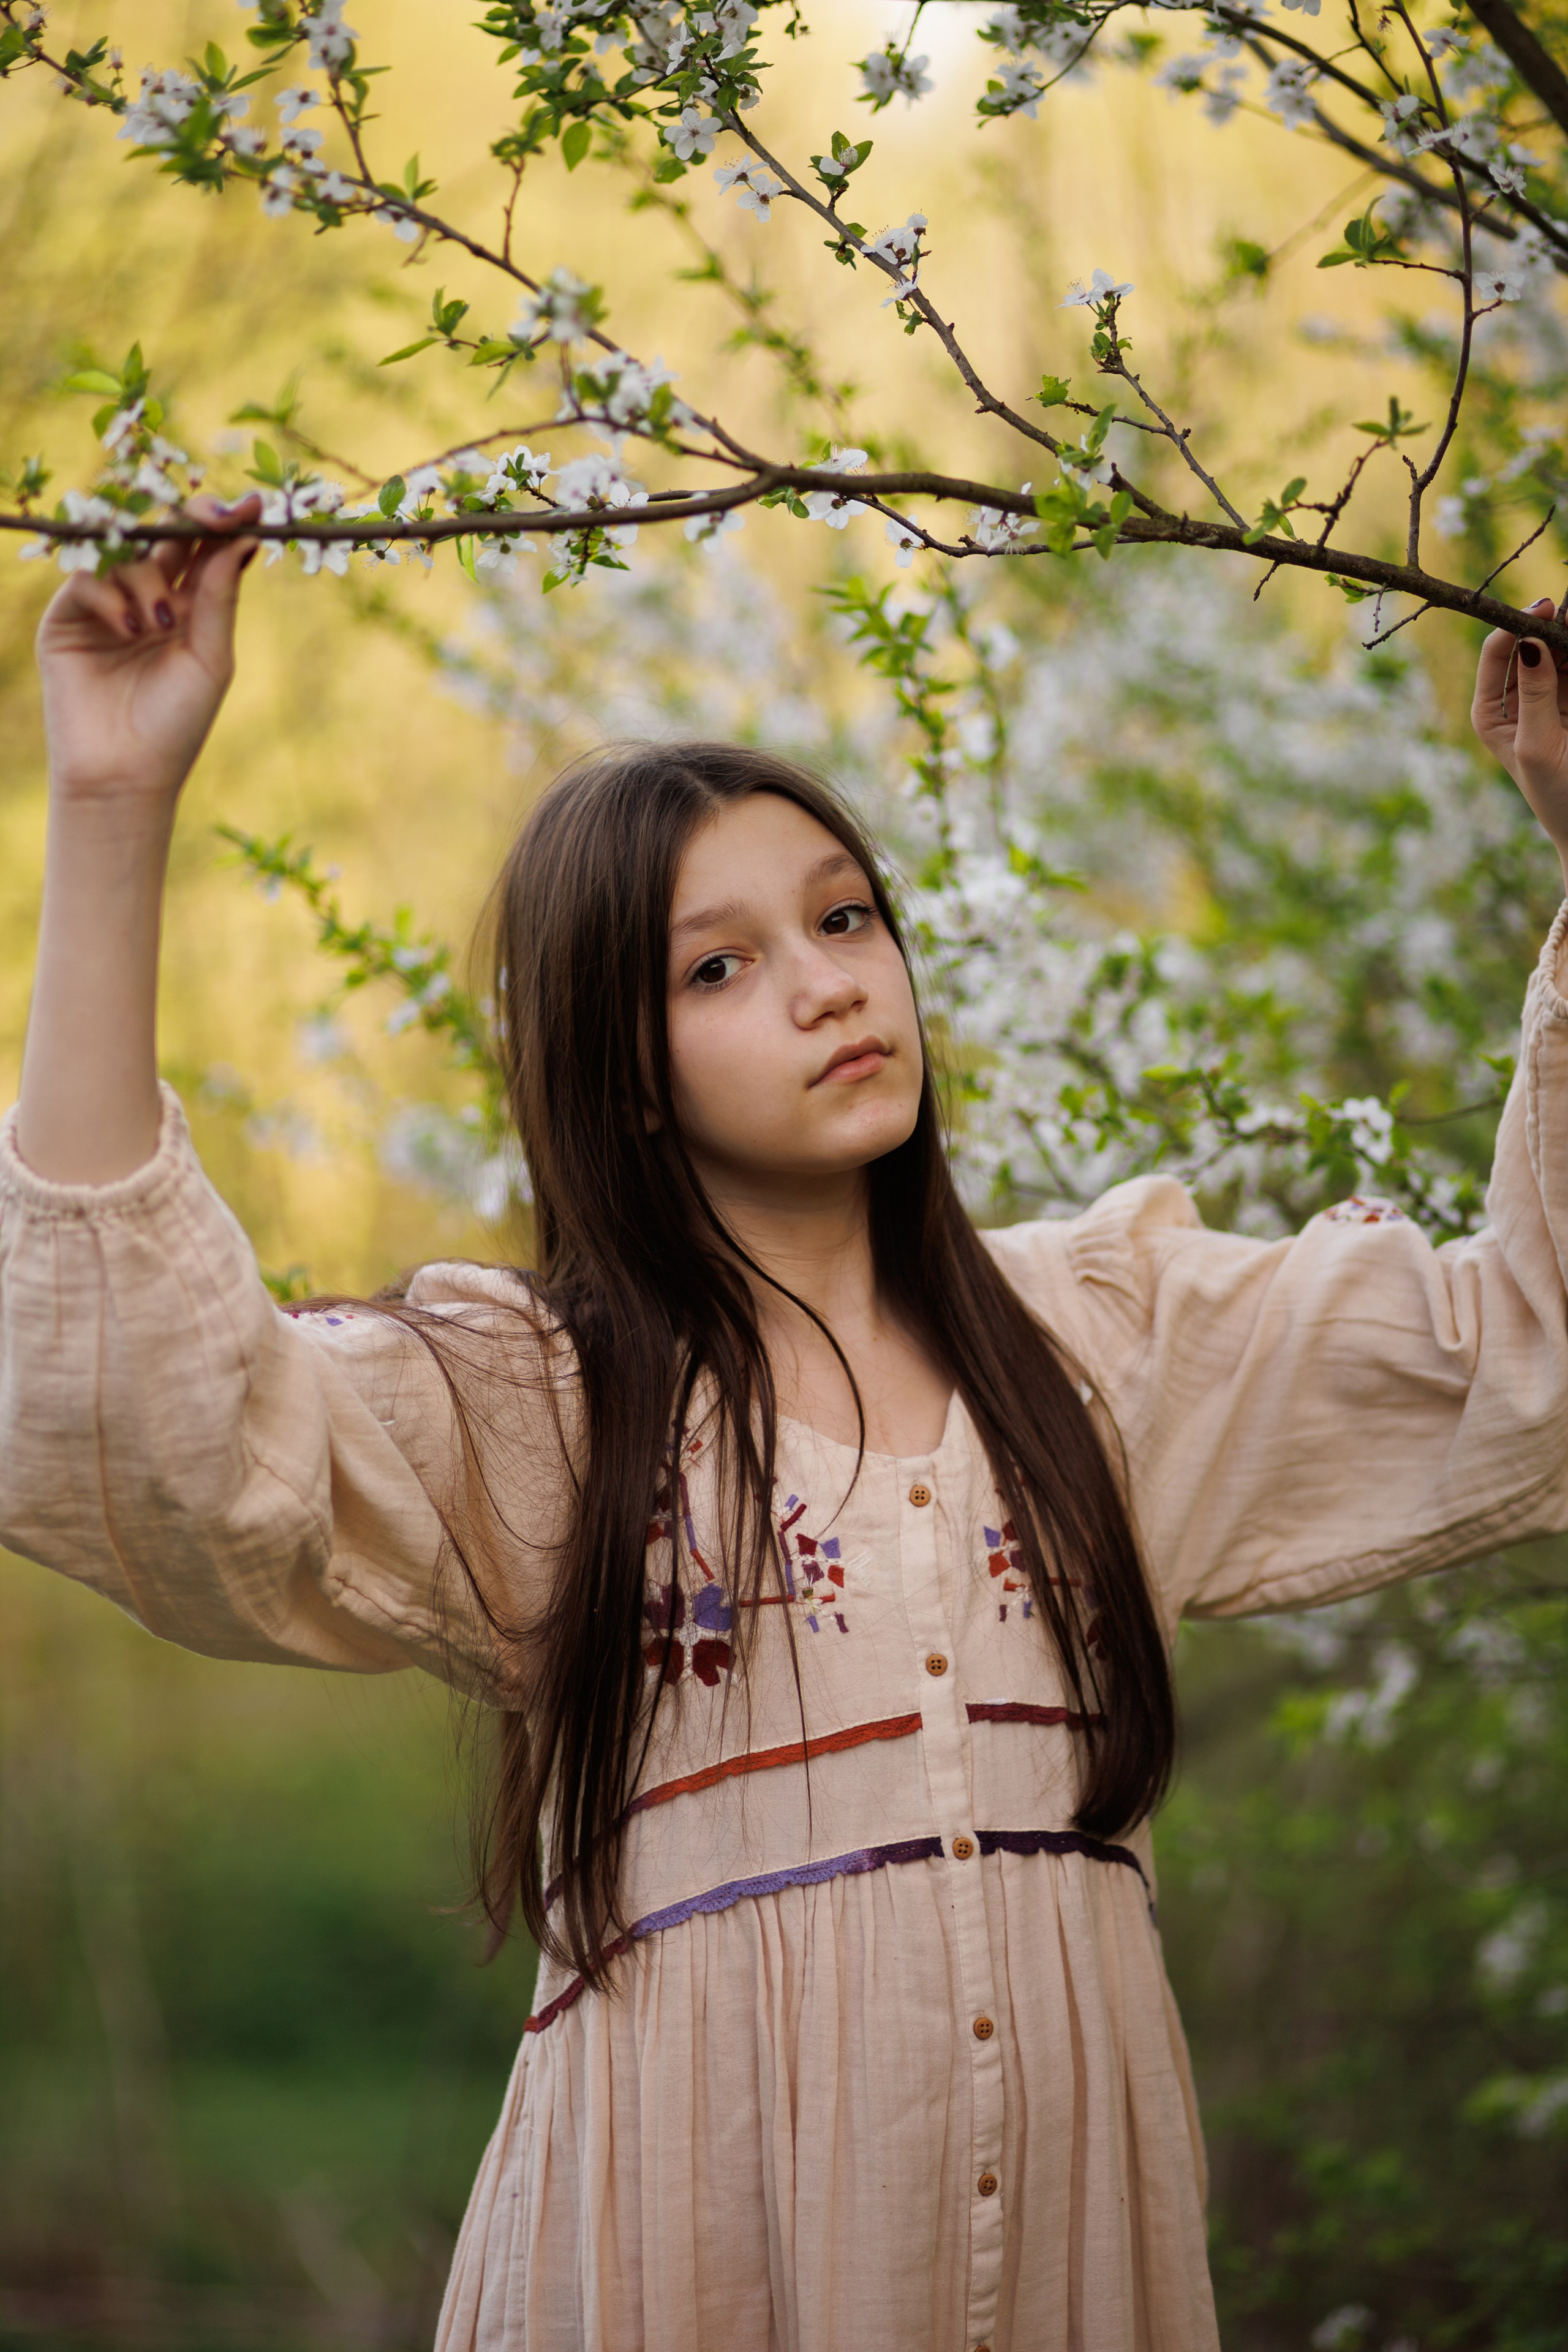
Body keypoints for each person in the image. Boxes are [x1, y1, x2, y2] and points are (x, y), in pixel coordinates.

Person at [3, 494, 1567, 2352]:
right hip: (685, 2269)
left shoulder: (1106, 1343)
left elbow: (1523, 1361)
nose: (829, 980)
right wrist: (110, 812)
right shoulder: (540, 1412)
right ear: (625, 1069)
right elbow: (149, 1431)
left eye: (843, 918)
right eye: (718, 967)